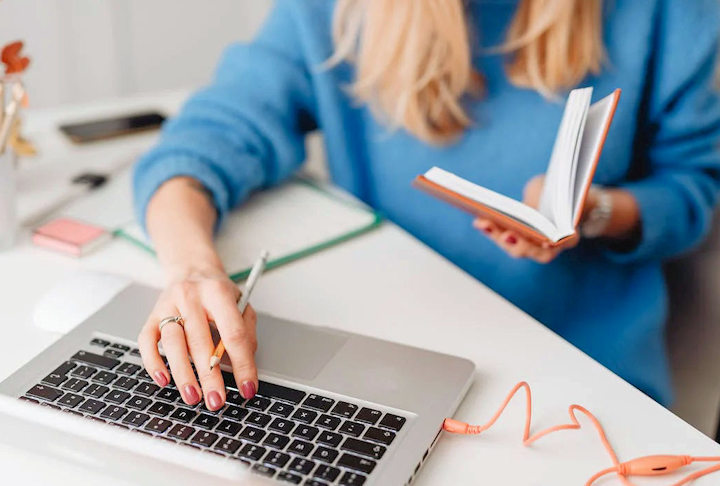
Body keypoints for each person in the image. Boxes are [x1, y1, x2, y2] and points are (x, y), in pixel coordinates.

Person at [133, 0, 720, 411]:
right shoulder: (334, 12)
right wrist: (192, 270)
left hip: (579, 376)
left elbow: (693, 187)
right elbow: (205, 140)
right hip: (386, 366)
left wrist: (595, 212)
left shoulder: (668, 13)